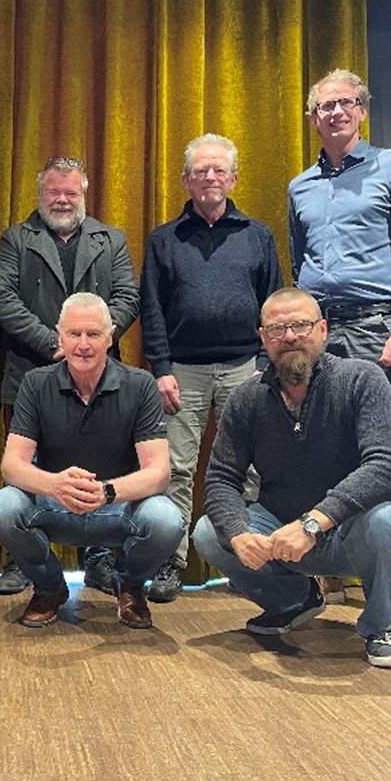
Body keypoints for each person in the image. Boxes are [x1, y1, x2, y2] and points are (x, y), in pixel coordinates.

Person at [192, 288, 391, 668]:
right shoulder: (246, 399)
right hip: (280, 532)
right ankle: (294, 601)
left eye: (301, 325)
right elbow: (221, 478)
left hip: (349, 534)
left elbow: (387, 465)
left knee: (387, 519)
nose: (290, 336)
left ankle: (380, 626)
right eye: (277, 329)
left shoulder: (362, 379)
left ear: (323, 330)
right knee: (210, 533)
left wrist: (313, 523)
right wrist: (239, 533)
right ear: (263, 338)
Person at [288, 69, 391, 626]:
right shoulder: (301, 186)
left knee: (380, 450)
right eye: (324, 106)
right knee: (318, 444)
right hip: (317, 330)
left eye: (345, 103)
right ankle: (327, 566)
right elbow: (299, 259)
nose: (335, 112)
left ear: (362, 111)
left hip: (376, 326)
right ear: (313, 118)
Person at [139, 134, 282, 603]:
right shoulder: (164, 239)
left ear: (233, 178)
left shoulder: (258, 236)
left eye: (219, 169)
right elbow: (151, 309)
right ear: (186, 180)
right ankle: (171, 561)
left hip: (246, 368)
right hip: (182, 371)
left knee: (250, 470)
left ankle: (247, 562)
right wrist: (161, 367)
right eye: (201, 170)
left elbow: (274, 304)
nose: (210, 177)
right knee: (176, 469)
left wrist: (265, 364)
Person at [0, 156, 139, 596]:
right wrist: (54, 342)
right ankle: (24, 561)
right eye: (53, 192)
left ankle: (99, 560)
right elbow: (1, 296)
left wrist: (91, 343)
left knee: (101, 462)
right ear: (41, 193)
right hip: (31, 370)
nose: (61, 200)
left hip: (100, 375)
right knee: (27, 467)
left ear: (83, 194)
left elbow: (128, 296)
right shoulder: (17, 238)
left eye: (70, 192)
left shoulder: (111, 239)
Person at [0, 293, 183, 629]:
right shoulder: (35, 383)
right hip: (56, 504)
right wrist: (55, 485)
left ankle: (129, 586)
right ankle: (49, 588)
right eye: (73, 334)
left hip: (116, 506)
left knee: (166, 519)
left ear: (110, 336)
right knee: (3, 506)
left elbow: (159, 473)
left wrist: (106, 492)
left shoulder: (140, 385)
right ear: (59, 336)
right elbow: (11, 466)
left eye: (93, 334)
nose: (83, 344)